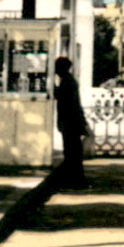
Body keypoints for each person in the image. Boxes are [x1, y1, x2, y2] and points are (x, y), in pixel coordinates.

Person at [53, 56, 88, 189]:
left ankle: (75, 180)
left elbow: (66, 101)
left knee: (71, 152)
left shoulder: (67, 82)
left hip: (70, 122)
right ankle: (75, 179)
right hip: (72, 121)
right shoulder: (69, 80)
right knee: (73, 152)